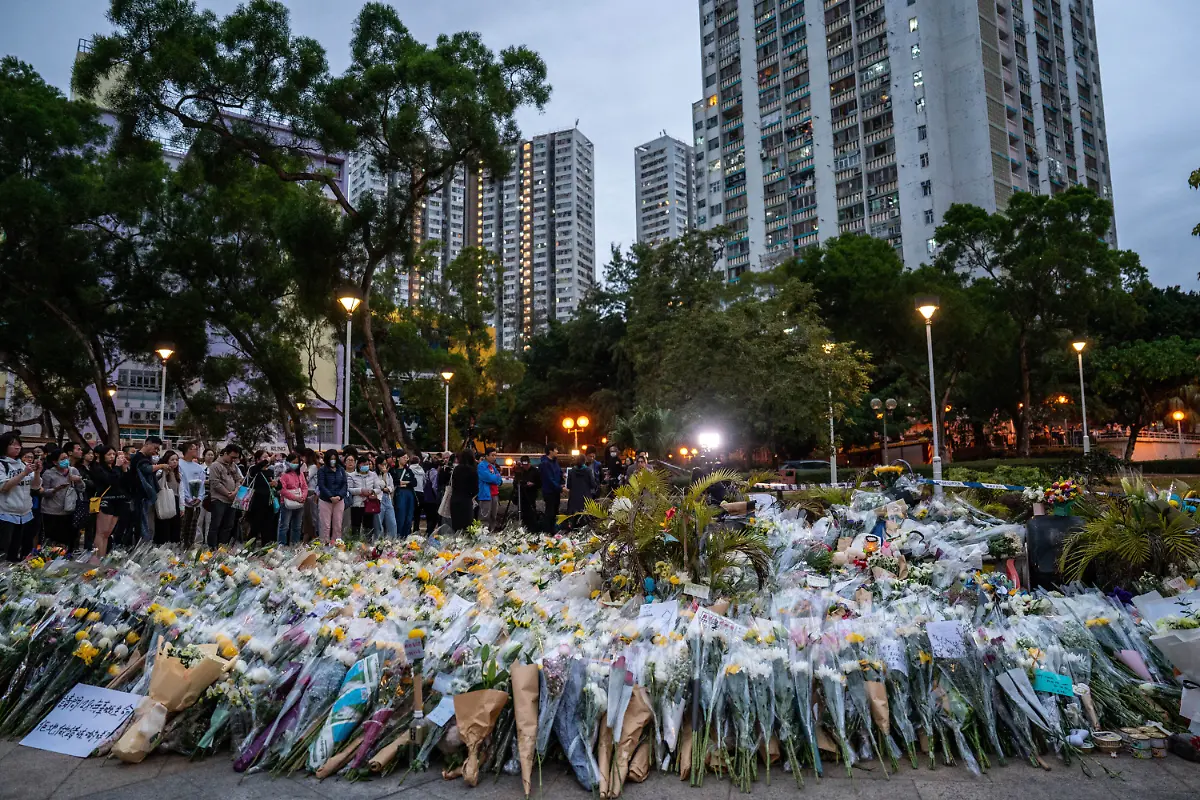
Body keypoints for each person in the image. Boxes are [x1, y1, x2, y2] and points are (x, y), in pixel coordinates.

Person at [0, 432, 41, 561]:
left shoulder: (22, 464)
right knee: (3, 551)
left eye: (19, 445)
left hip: (24, 514)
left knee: (16, 551)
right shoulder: (2, 464)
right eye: (13, 445)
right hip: (6, 514)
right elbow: (4, 487)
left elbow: (35, 487)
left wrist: (37, 473)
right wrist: (23, 473)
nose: (17, 448)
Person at [41, 447, 83, 549]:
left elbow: (82, 489)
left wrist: (79, 481)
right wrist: (56, 489)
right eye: (62, 459)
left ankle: (67, 558)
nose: (65, 461)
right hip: (52, 512)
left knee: (68, 539)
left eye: (66, 458)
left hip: (69, 510)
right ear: (55, 462)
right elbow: (44, 492)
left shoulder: (73, 470)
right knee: (53, 541)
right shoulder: (48, 473)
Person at [88, 445, 126, 558]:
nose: (112, 457)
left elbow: (123, 483)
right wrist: (118, 467)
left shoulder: (113, 468)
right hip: (105, 501)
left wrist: (124, 468)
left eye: (114, 454)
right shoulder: (98, 468)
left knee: (107, 533)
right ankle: (97, 559)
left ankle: (103, 557)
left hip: (117, 501)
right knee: (101, 532)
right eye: (109, 454)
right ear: (102, 456)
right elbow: (109, 480)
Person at [125, 435, 162, 543]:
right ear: (147, 444)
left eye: (157, 449)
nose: (155, 451)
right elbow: (147, 469)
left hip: (146, 497)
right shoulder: (138, 458)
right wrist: (161, 466)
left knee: (147, 525)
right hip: (138, 496)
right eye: (155, 448)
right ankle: (139, 549)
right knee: (142, 526)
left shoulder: (146, 458)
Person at [207, 444, 242, 547]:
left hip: (232, 499)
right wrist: (227, 494)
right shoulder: (215, 465)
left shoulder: (233, 466)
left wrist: (235, 491)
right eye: (232, 457)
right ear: (226, 453)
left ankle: (223, 547)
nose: (234, 460)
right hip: (219, 499)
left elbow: (238, 479)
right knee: (216, 525)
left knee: (228, 525)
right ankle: (212, 547)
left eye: (236, 458)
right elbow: (215, 483)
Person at [177, 441, 205, 550]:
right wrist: (187, 498)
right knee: (183, 528)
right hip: (184, 502)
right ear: (188, 450)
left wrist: (200, 497)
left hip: (196, 502)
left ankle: (190, 548)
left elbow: (202, 483)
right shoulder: (179, 464)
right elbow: (181, 482)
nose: (197, 451)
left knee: (192, 528)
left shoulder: (198, 467)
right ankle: (180, 549)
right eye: (194, 448)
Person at [316, 449, 348, 543]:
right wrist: (330, 497)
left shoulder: (341, 470)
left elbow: (344, 484)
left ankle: (336, 545)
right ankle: (324, 545)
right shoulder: (322, 470)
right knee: (325, 525)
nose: (333, 461)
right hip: (325, 500)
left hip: (339, 500)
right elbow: (321, 485)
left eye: (334, 458)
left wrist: (339, 496)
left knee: (337, 525)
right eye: (331, 459)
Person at [246, 450, 277, 544]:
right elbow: (255, 472)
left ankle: (265, 549)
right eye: (264, 457)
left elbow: (274, 486)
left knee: (267, 528)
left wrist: (276, 484)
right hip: (256, 503)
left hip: (268, 502)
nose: (267, 459)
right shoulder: (253, 469)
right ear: (257, 459)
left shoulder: (270, 471)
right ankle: (249, 549)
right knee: (255, 527)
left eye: (267, 457)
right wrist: (268, 460)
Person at [276, 452, 307, 546]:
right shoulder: (284, 475)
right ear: (288, 462)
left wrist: (303, 497)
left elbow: (305, 487)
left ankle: (295, 545)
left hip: (299, 503)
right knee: (284, 526)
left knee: (297, 526)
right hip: (286, 503)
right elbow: (282, 490)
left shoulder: (300, 474)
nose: (295, 464)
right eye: (293, 462)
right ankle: (282, 545)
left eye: (297, 462)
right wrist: (295, 498)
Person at [347, 454, 381, 536]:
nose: (366, 466)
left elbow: (378, 488)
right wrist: (361, 491)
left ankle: (368, 545)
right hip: (357, 504)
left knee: (368, 527)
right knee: (356, 526)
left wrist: (371, 491)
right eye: (364, 464)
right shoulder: (352, 475)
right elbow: (349, 489)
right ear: (359, 464)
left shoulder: (373, 475)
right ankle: (355, 543)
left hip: (369, 504)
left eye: (367, 464)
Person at [153, 450, 182, 545]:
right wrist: (163, 471)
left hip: (176, 501)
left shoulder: (178, 474)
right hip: (165, 500)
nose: (175, 462)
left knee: (175, 527)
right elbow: (158, 484)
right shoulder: (161, 472)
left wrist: (182, 506)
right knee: (164, 527)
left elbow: (181, 491)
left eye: (176, 460)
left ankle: (174, 546)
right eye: (172, 459)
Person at [449, 448, 479, 533]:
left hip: (454, 500)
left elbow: (453, 484)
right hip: (466, 501)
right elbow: (475, 489)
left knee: (456, 527)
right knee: (467, 527)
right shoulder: (473, 471)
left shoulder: (456, 469)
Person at [566, 454, 598, 529]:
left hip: (573, 499)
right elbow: (593, 484)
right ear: (584, 461)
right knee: (585, 520)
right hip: (585, 498)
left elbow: (568, 485)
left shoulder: (571, 471)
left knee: (573, 520)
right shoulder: (588, 471)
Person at [391, 451, 418, 537]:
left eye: (406, 458)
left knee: (409, 518)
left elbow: (414, 482)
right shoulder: (393, 470)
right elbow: (395, 482)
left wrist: (404, 483)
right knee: (400, 516)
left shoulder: (408, 470)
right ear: (398, 458)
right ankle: (399, 536)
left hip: (410, 494)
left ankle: (407, 536)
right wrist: (404, 483)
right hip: (399, 494)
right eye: (404, 457)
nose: (405, 459)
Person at [538, 444, 563, 533]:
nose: (557, 451)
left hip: (556, 491)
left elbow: (559, 473)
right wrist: (560, 488)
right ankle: (547, 531)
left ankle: (554, 531)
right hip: (549, 491)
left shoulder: (555, 462)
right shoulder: (545, 464)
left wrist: (562, 483)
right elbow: (549, 479)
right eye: (555, 449)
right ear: (550, 451)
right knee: (550, 512)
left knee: (556, 511)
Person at [477, 447, 503, 531]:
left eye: (495, 455)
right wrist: (495, 478)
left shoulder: (492, 467)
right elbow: (488, 478)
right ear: (486, 456)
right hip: (486, 495)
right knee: (484, 517)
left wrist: (495, 478)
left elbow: (499, 479)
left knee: (493, 516)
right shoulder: (481, 466)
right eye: (492, 455)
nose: (494, 457)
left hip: (494, 494)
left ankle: (491, 533)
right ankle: (482, 535)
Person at [514, 455, 540, 532]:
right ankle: (522, 528)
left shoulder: (535, 471)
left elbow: (539, 483)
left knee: (531, 513)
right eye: (523, 465)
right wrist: (521, 484)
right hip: (521, 495)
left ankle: (532, 529)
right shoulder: (520, 471)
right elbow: (515, 482)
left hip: (531, 495)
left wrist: (533, 484)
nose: (525, 467)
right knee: (522, 512)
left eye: (527, 464)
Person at [372, 456, 397, 538]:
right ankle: (378, 542)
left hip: (388, 498)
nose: (384, 466)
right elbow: (380, 485)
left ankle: (392, 541)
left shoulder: (389, 474)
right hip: (379, 499)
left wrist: (387, 489)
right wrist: (384, 475)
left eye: (385, 464)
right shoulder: (374, 474)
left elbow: (392, 487)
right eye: (382, 464)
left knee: (392, 522)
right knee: (379, 523)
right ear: (378, 465)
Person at [421, 452, 441, 532]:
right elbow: (434, 486)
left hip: (426, 498)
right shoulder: (435, 473)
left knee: (429, 518)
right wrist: (437, 496)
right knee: (434, 518)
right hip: (432, 499)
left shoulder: (428, 472)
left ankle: (428, 532)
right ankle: (429, 533)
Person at [409, 452, 426, 532]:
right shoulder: (422, 470)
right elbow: (424, 481)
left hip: (412, 492)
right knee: (418, 513)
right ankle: (416, 529)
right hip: (421, 492)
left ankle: (408, 529)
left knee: (410, 512)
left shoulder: (409, 469)